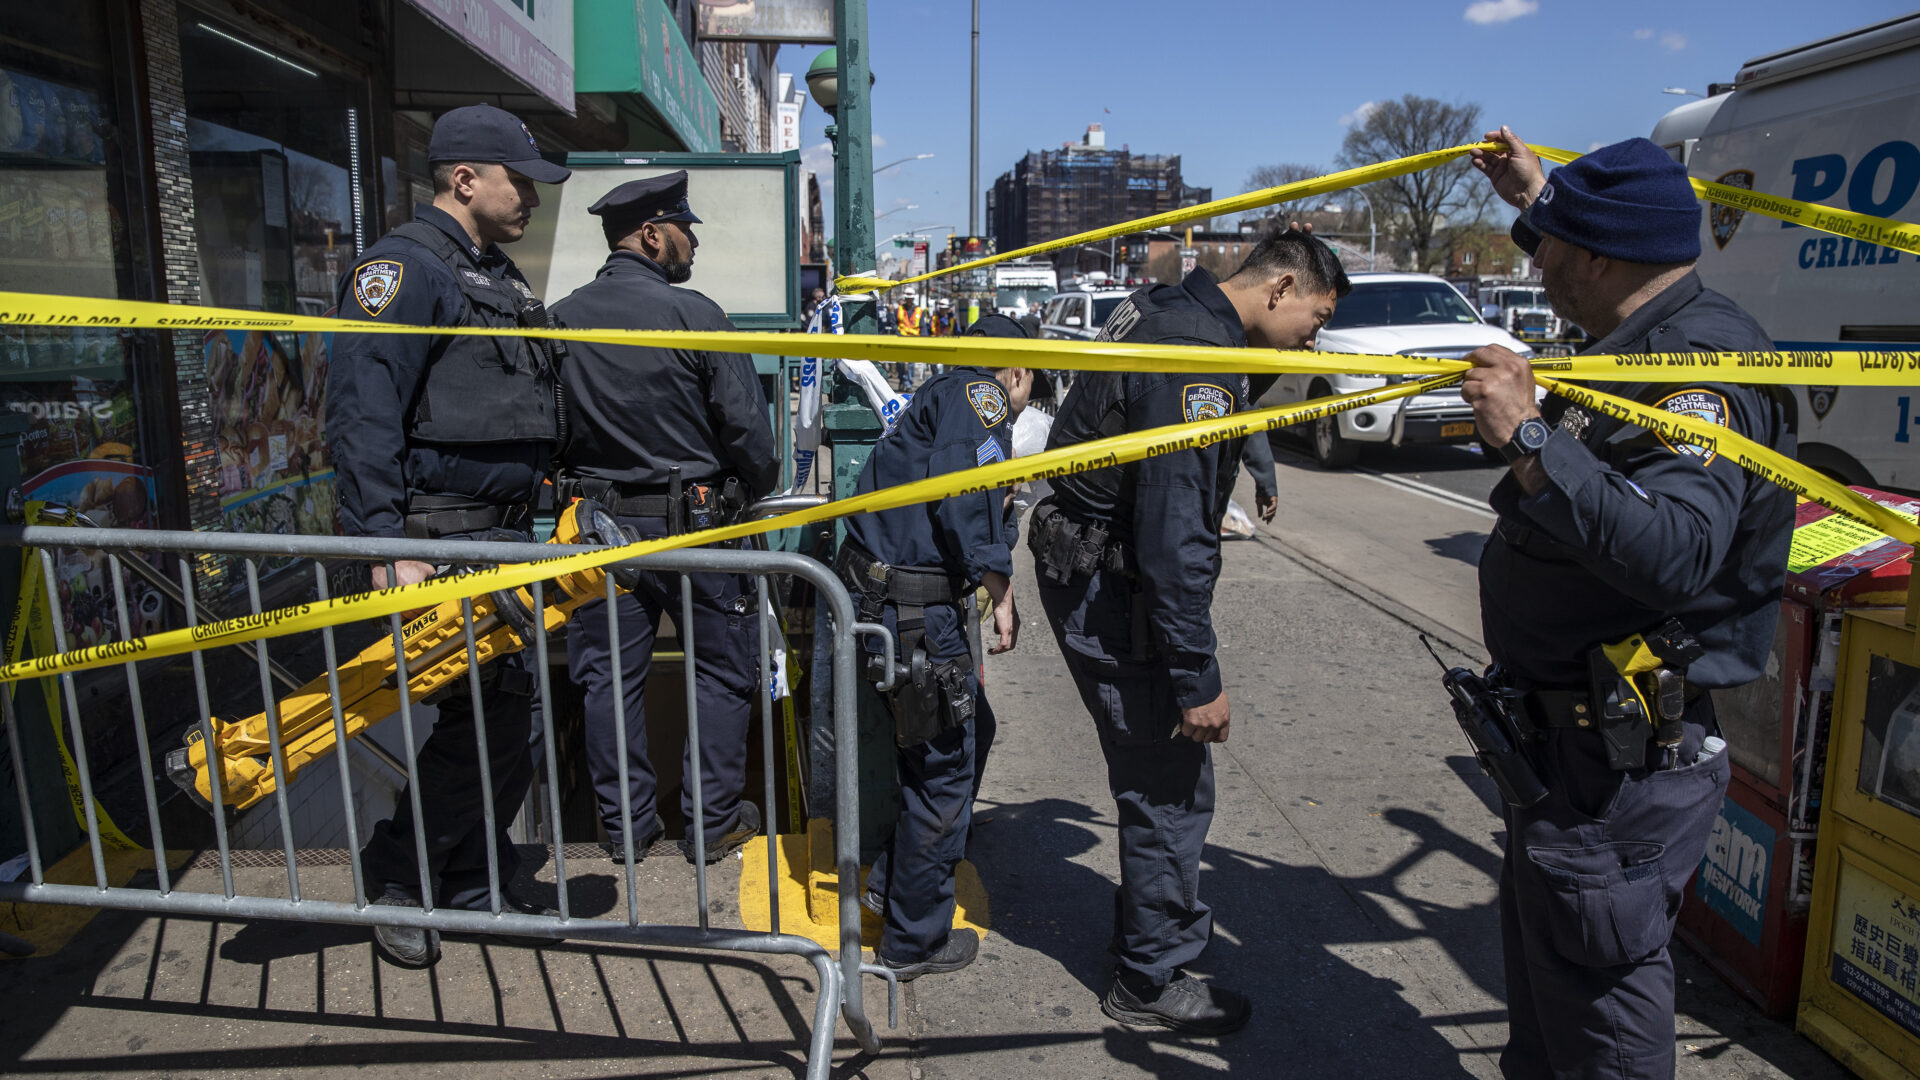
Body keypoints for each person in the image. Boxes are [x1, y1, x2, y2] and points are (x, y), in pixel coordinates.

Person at [1462, 130, 1796, 1079]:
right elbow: (1581, 257)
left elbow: (1677, 553)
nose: (1542, 265)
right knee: (1552, 988)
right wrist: (1540, 203)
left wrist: (1531, 439)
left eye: (1555, 247)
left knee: (1603, 1006)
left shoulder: (1699, 367)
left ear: (1605, 256)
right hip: (1562, 755)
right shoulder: (1638, 326)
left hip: (1618, 768)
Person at [1031, 228, 1349, 1034]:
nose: (1315, 337)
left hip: (1091, 562)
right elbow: (1173, 536)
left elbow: (1213, 424)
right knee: (1172, 783)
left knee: (1160, 778)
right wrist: (1197, 676)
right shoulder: (1197, 355)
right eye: (1315, 317)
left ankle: (1147, 940)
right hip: (1117, 583)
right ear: (1279, 289)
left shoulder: (1171, 309)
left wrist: (1258, 460)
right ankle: (1151, 978)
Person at [327, 103, 572, 968]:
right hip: (435, 542)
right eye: (522, 182)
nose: (535, 200)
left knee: (509, 719)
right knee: (480, 719)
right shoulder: (401, 269)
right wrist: (384, 544)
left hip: (497, 541)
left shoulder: (490, 274)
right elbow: (363, 416)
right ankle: (401, 877)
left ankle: (470, 872)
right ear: (464, 180)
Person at [550, 172, 778, 866]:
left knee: (608, 680)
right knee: (719, 673)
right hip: (698, 529)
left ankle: (626, 830)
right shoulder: (696, 316)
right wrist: (751, 486)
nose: (693, 245)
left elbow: (548, 429)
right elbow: (751, 437)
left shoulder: (560, 320)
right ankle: (710, 826)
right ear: (652, 234)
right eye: (685, 230)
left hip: (600, 531)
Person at [837, 314, 1043, 982]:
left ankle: (894, 887)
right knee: (944, 767)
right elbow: (964, 503)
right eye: (1031, 380)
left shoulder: (941, 393)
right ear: (1015, 369)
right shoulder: (979, 398)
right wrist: (1000, 586)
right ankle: (913, 941)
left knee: (964, 736)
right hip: (917, 611)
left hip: (894, 600)